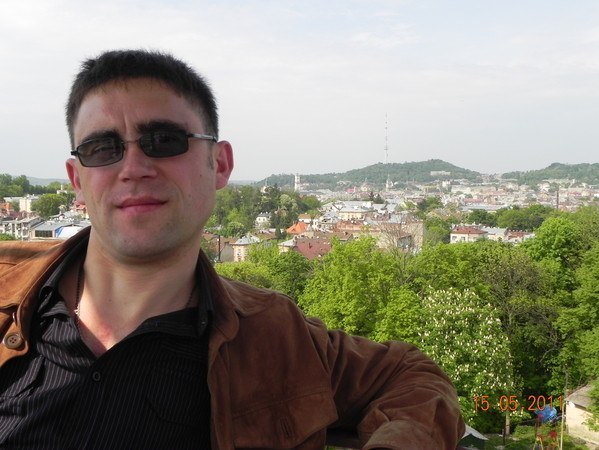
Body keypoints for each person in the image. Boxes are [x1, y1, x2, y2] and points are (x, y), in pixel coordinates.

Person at [0, 49, 465, 449]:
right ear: (77, 179)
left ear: (219, 164)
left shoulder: (275, 339)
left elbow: (412, 377)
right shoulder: (9, 291)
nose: (134, 167)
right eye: (103, 148)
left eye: (164, 140)